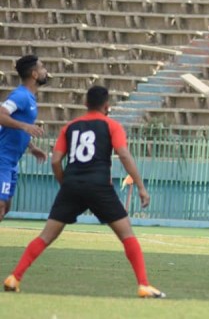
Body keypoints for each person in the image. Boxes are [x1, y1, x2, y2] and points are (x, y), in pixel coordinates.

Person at [3, 86, 165, 298]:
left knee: (45, 236)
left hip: (72, 185)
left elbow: (55, 160)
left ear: (85, 104)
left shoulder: (70, 127)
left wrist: (65, 184)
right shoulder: (111, 126)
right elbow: (124, 155)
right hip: (99, 186)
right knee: (127, 234)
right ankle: (143, 285)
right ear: (107, 106)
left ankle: (14, 277)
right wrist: (141, 187)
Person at [0, 55, 48, 223]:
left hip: (12, 161)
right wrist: (25, 126)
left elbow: (16, 128)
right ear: (34, 74)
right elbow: (1, 114)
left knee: (6, 207)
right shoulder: (21, 95)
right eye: (42, 68)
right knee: (1, 205)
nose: (45, 71)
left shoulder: (29, 98)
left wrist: (32, 147)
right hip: (2, 159)